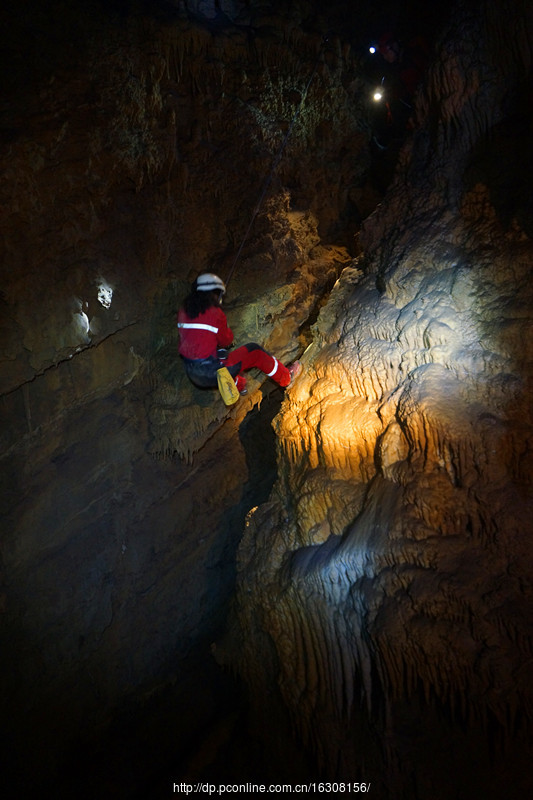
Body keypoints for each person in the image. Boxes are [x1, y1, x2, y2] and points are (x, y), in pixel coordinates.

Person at [177, 272, 301, 396]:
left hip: (192, 372)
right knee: (255, 352)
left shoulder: (183, 311)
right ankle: (286, 378)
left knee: (223, 356)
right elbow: (226, 340)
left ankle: (239, 385)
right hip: (212, 372)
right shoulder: (214, 312)